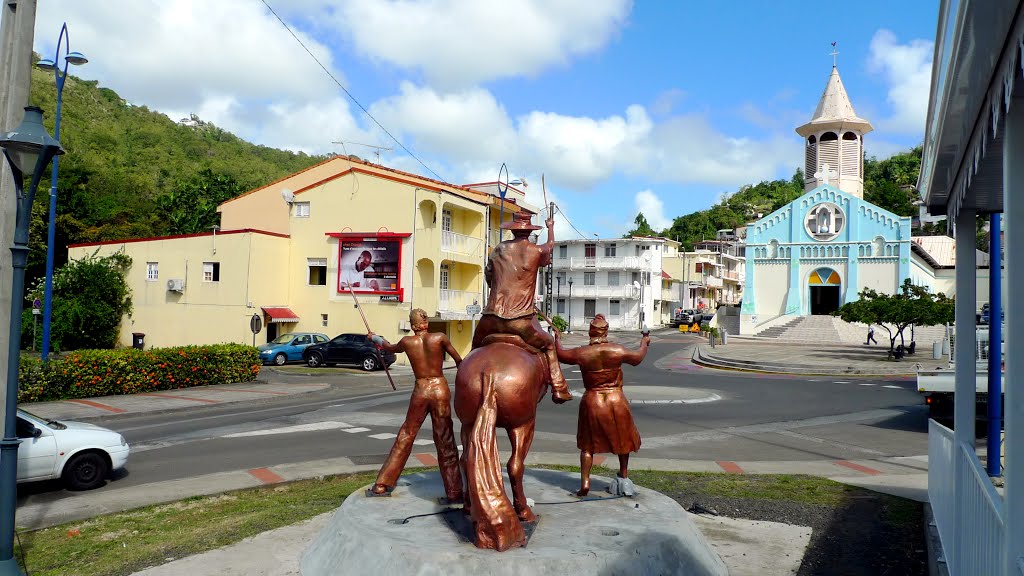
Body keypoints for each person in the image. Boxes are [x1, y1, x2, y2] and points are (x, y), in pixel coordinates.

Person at [472, 210, 572, 404]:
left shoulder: (499, 249)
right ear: (529, 232)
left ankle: (464, 377)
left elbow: (489, 277)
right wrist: (550, 227)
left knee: (475, 348)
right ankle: (559, 387)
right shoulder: (535, 251)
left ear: (512, 230)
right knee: (549, 344)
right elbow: (550, 246)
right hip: (519, 322)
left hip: (490, 319)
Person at [366, 309, 463, 501]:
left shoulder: (407, 342)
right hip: (439, 390)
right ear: (426, 323)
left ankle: (382, 484)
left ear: (413, 325)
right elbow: (460, 361)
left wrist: (374, 338)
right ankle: (454, 490)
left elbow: (388, 347)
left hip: (421, 390)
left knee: (406, 434)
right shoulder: (440, 338)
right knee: (445, 439)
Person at [553, 314, 650, 496]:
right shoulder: (617, 350)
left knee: (587, 446)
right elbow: (638, 358)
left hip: (593, 399)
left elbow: (560, 354)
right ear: (606, 332)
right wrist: (644, 342)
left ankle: (585, 482)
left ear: (590, 332)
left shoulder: (581, 353)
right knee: (624, 440)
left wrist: (557, 338)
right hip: (616, 398)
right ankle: (623, 474)